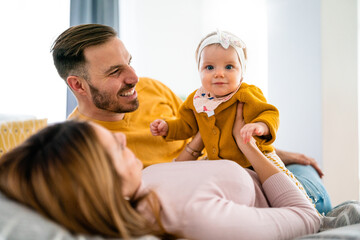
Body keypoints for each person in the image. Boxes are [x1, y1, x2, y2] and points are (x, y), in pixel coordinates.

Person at [51, 23, 332, 214]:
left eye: (130, 62)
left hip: (244, 164)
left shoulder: (150, 87)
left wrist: (270, 151)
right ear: (78, 85)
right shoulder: (81, 145)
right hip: (223, 200)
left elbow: (208, 128)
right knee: (316, 201)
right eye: (115, 72)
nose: (134, 78)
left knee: (305, 172)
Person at [0, 103, 321, 239]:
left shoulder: (139, 186)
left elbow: (184, 174)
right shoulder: (194, 217)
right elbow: (307, 218)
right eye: (114, 146)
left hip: (257, 162)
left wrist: (203, 141)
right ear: (100, 181)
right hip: (293, 188)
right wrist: (254, 150)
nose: (124, 137)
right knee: (307, 163)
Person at [150, 30, 279, 167]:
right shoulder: (196, 100)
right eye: (209, 67)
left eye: (229, 67)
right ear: (199, 70)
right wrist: (168, 127)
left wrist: (260, 126)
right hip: (218, 162)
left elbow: (269, 114)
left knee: (281, 183)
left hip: (256, 160)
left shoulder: (246, 93)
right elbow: (186, 125)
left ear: (242, 72)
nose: (219, 74)